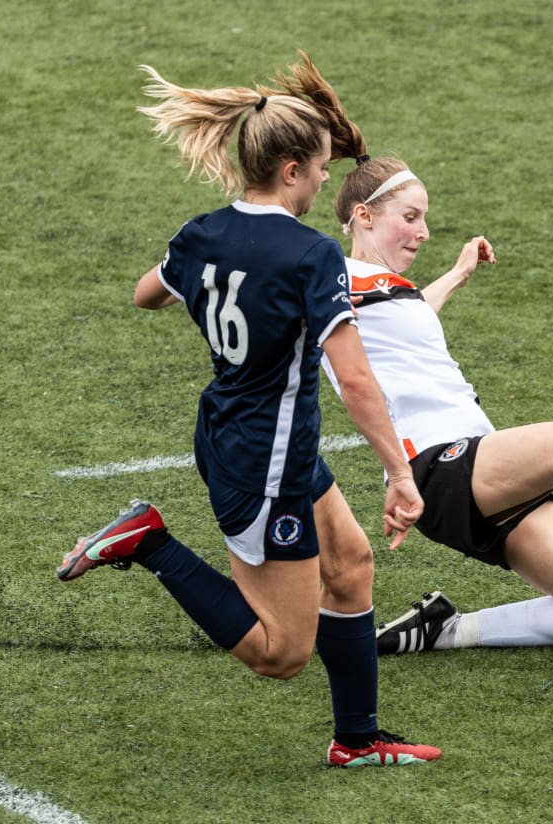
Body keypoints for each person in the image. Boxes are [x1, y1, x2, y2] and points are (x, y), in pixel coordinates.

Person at [56, 55, 441, 767]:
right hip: (262, 463)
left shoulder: (202, 233)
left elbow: (149, 292)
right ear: (291, 169)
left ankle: (356, 739)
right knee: (280, 654)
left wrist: (212, 284)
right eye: (322, 166)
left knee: (351, 565)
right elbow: (356, 383)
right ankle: (149, 542)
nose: (328, 178)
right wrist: (400, 474)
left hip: (252, 433)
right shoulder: (308, 255)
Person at [322, 156, 553, 673]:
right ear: (364, 216)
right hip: (440, 467)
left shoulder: (382, 291)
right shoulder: (333, 280)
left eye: (425, 219)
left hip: (480, 476)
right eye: (410, 216)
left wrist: (458, 274)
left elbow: (407, 316)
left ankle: (445, 629)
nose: (423, 231)